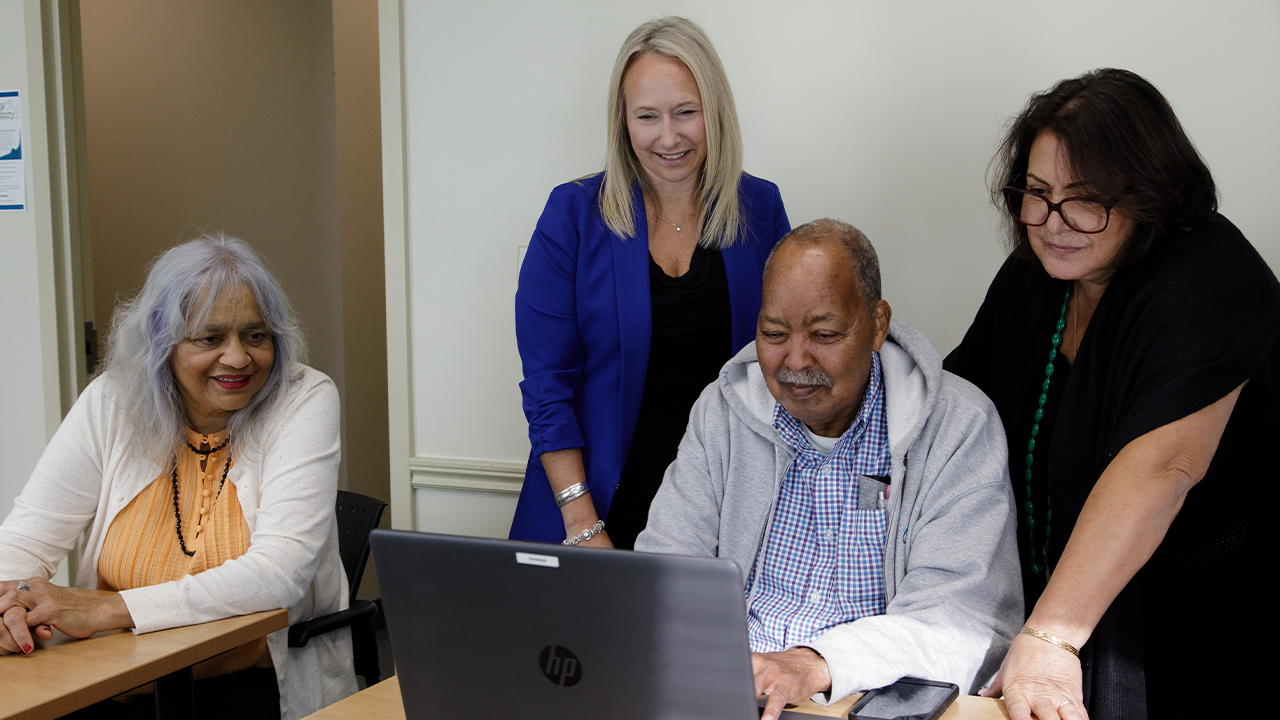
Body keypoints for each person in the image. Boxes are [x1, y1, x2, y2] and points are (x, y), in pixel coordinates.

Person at [944, 68, 1280, 720]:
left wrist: (1049, 636)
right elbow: (963, 406)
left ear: (1153, 194)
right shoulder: (1036, 277)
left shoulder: (1213, 280)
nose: (1053, 221)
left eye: (1086, 198)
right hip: (1073, 615)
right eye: (1036, 193)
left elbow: (1161, 467)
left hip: (1212, 629)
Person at [637, 219, 1022, 720]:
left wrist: (817, 662)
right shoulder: (724, 410)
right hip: (731, 690)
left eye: (824, 334)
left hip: (869, 698)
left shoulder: (957, 425)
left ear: (877, 324)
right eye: (773, 333)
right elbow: (667, 570)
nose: (795, 360)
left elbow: (961, 618)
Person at [0, 234, 357, 719]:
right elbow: (23, 541)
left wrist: (104, 609)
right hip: (114, 674)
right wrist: (11, 607)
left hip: (250, 683)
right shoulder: (112, 401)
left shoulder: (303, 397)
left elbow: (279, 574)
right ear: (161, 346)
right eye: (210, 338)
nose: (237, 358)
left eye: (255, 335)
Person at [510, 16, 790, 549]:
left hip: (720, 517)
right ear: (623, 122)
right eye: (647, 116)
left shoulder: (761, 208)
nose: (669, 137)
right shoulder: (571, 215)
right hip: (591, 512)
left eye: (687, 112)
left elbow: (785, 361)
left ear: (716, 111)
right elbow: (548, 388)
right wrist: (583, 524)